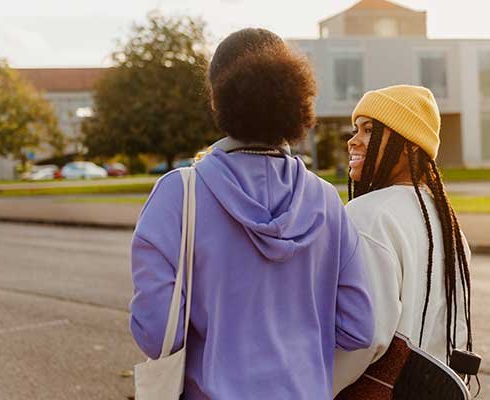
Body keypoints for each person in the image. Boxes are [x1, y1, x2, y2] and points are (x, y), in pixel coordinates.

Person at [129, 28, 374, 400]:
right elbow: (359, 327)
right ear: (298, 99)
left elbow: (157, 334)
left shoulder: (180, 193)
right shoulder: (326, 200)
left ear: (217, 98)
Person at [333, 85, 474, 396]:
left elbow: (363, 338)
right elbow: (456, 333)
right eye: (356, 128)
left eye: (369, 130)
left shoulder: (368, 215)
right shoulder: (448, 225)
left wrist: (315, 386)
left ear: (408, 146)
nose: (353, 141)